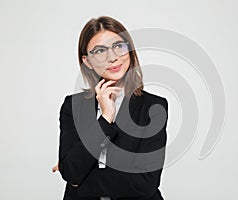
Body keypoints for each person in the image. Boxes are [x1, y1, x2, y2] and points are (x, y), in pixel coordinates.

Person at [52, 16, 168, 200]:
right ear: (87, 61)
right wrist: (105, 118)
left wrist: (81, 181)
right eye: (100, 50)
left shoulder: (153, 107)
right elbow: (71, 171)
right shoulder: (72, 106)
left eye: (118, 46)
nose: (112, 57)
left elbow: (145, 182)